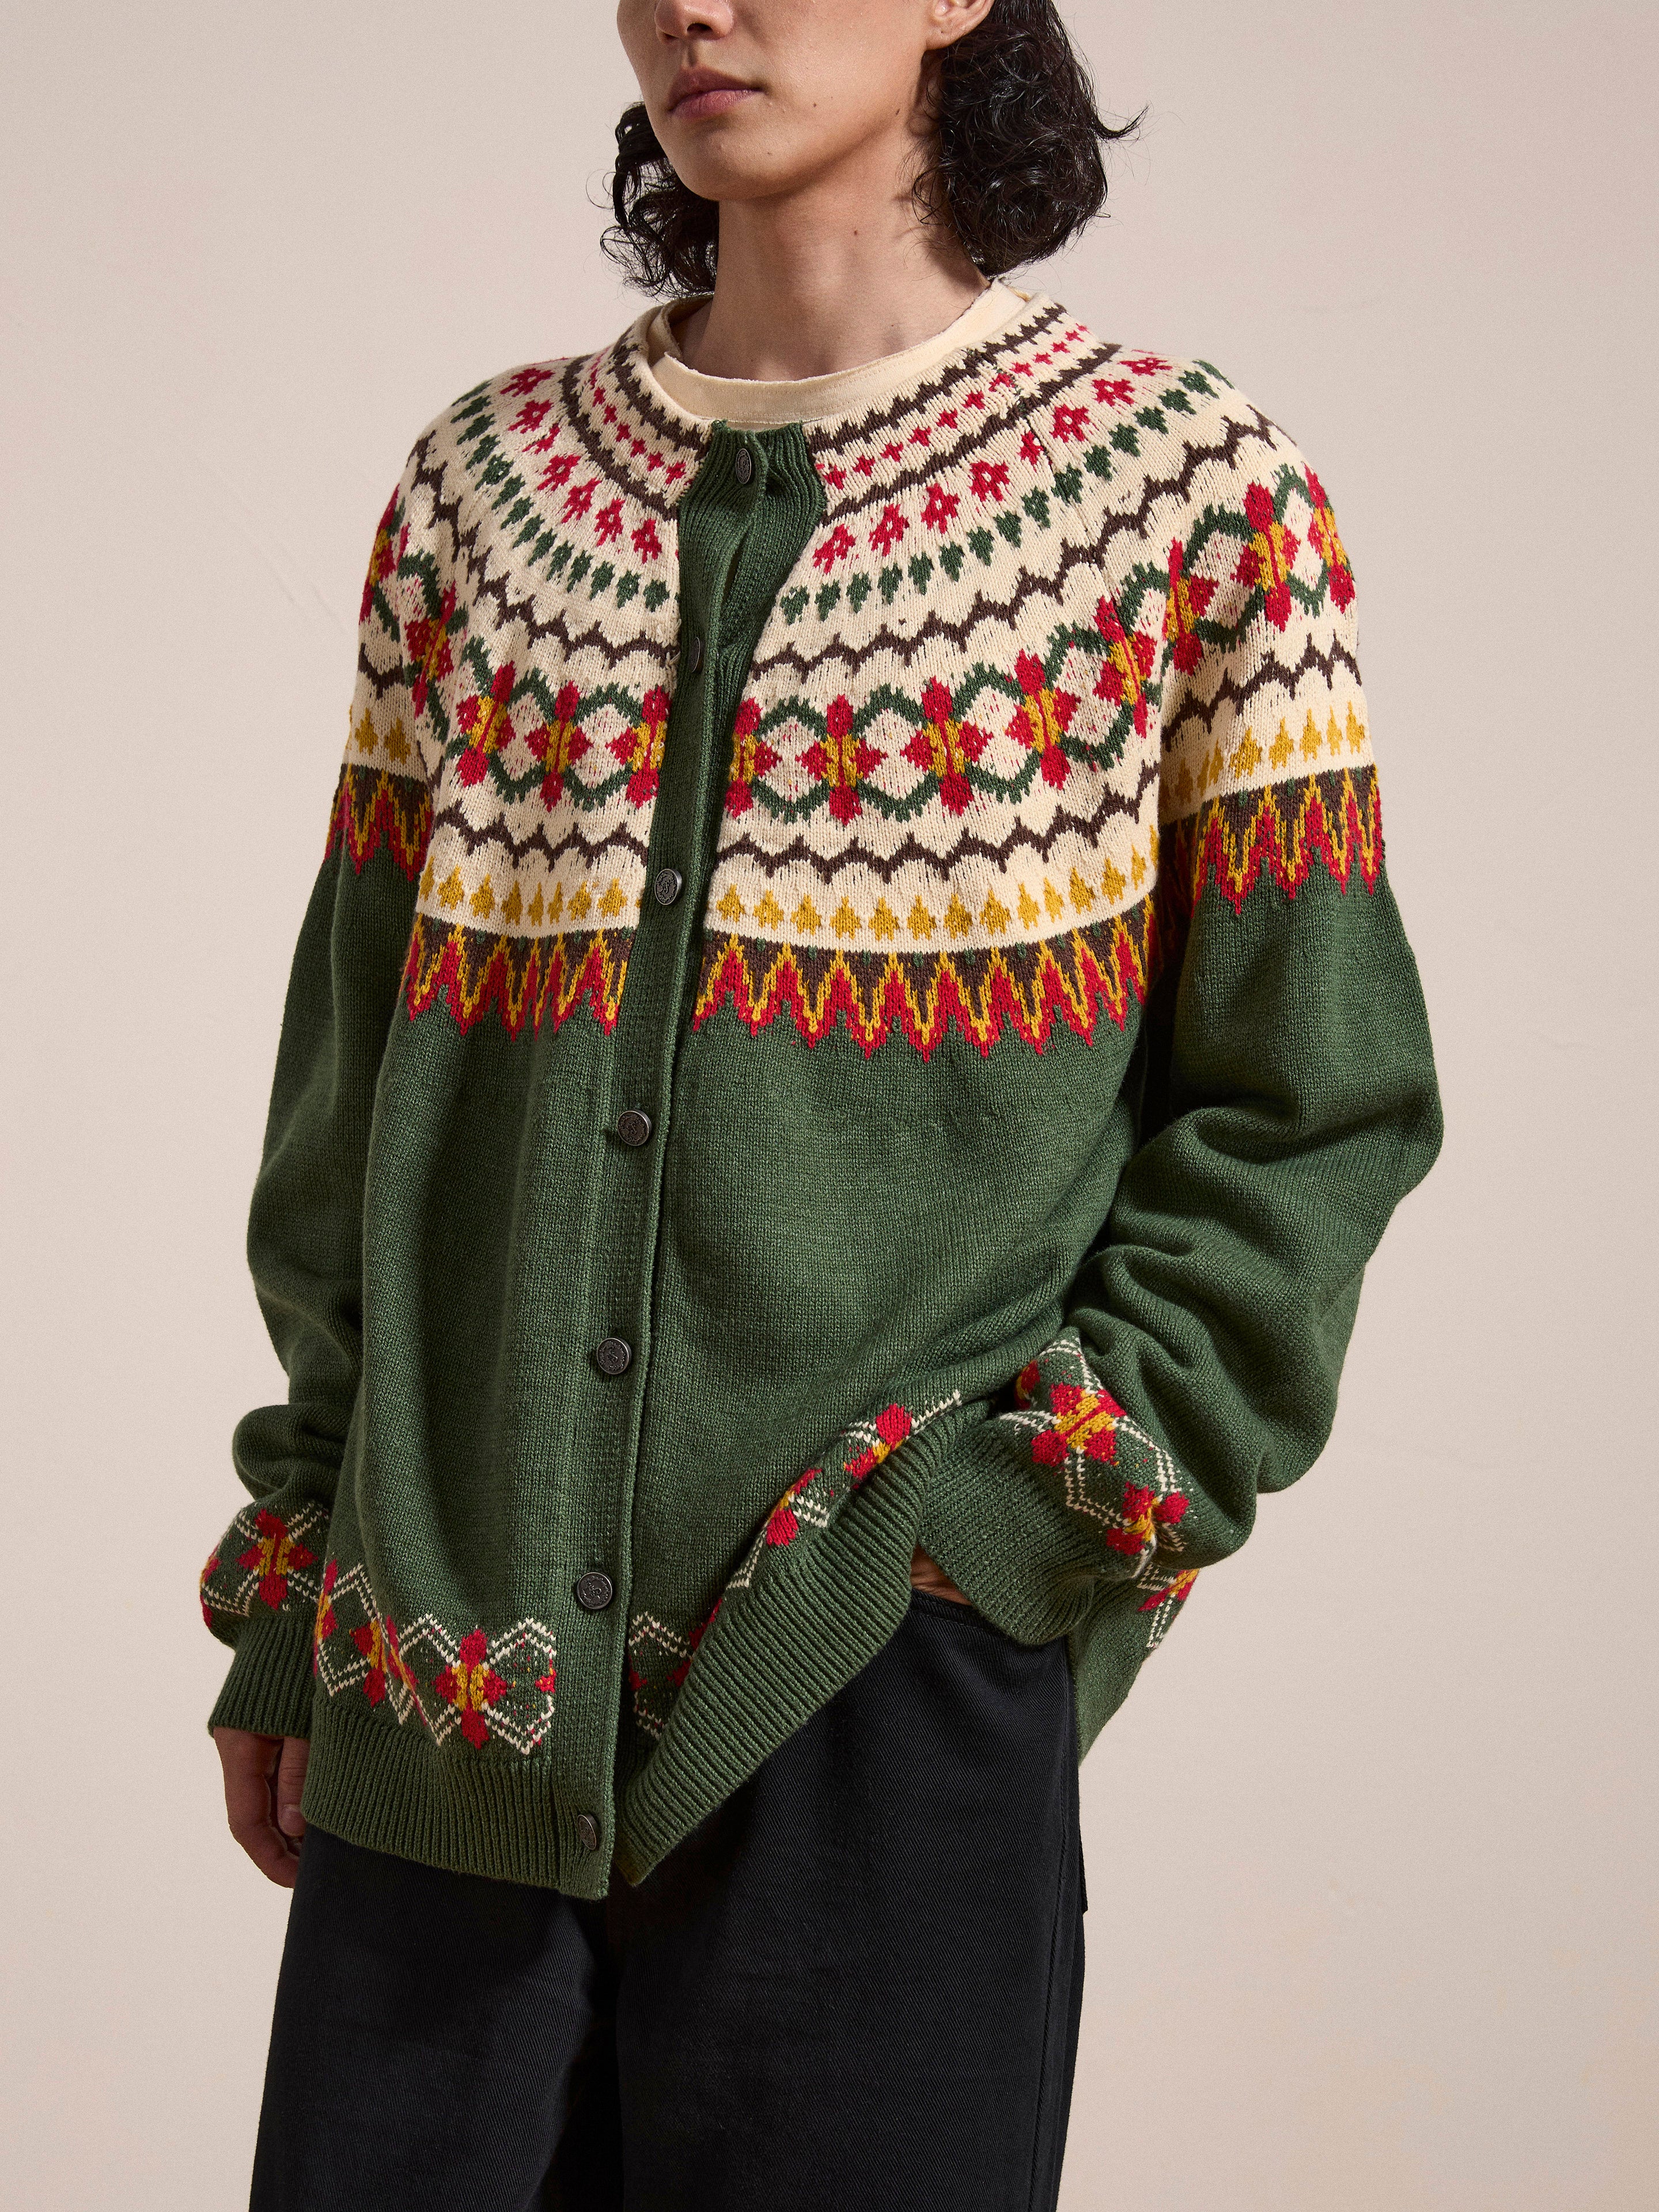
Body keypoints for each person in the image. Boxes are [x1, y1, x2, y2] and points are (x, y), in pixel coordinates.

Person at [200, 2, 1442, 2205]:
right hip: (446, 1689)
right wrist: (305, 1563)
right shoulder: (484, 493)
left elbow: (1312, 1102)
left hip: (875, 1695)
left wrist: (1014, 1539)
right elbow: (354, 1087)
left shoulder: (1180, 492)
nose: (701, 0)